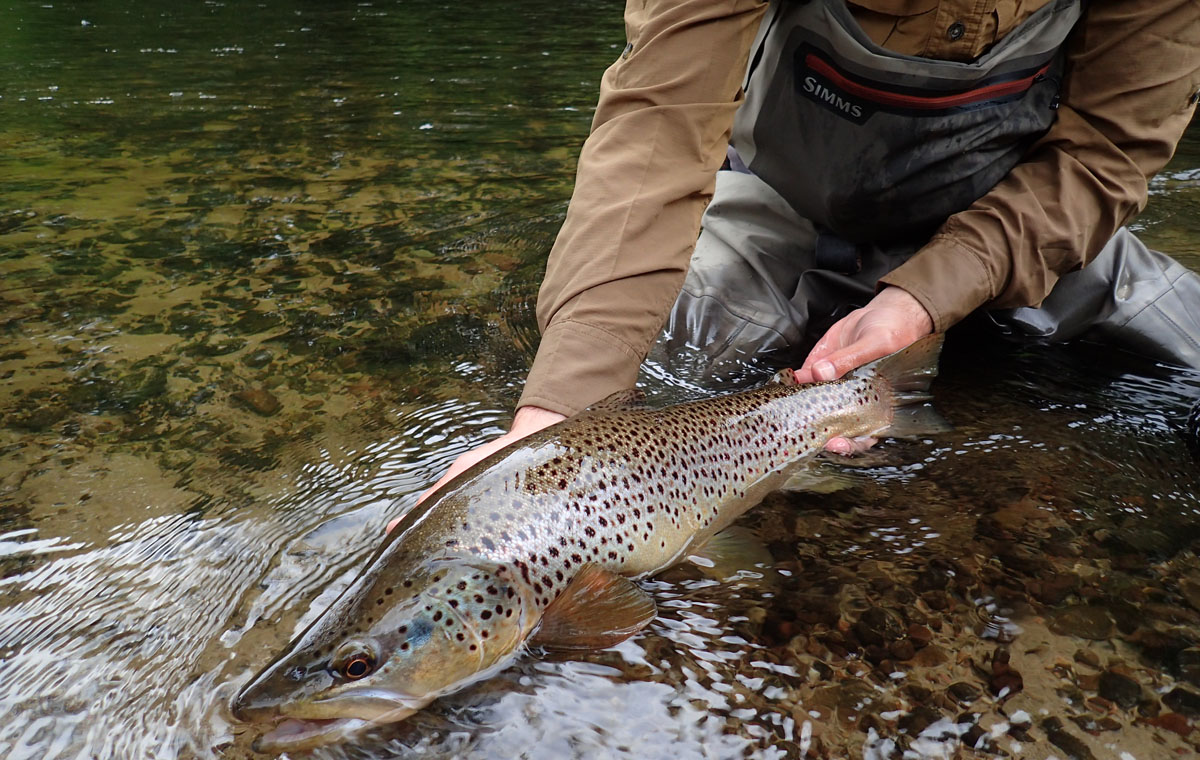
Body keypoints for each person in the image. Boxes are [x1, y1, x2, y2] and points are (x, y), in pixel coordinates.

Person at [406, 0, 1200, 510]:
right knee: (661, 356)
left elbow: (1103, 157)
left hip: (1024, 220)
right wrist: (555, 428)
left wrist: (922, 298)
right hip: (777, 205)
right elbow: (659, 128)